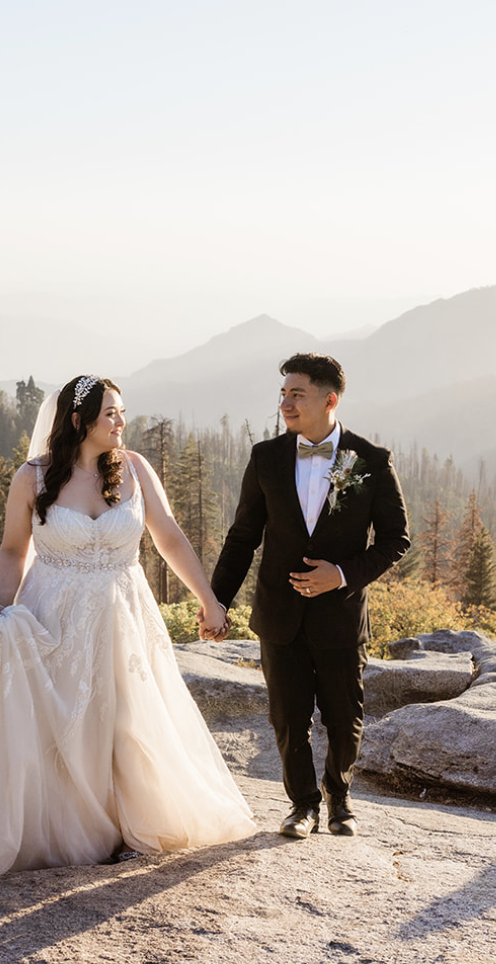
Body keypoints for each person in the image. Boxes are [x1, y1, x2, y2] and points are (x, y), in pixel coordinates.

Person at [0, 375, 256, 876]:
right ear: (77, 421)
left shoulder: (135, 469)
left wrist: (209, 600)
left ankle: (132, 825)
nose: (121, 421)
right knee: (65, 722)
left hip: (125, 613)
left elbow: (170, 538)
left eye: (122, 411)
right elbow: (11, 550)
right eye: (110, 412)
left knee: (130, 718)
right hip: (54, 616)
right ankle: (73, 830)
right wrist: (2, 612)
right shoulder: (33, 477)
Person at [207, 353, 410, 839]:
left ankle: (340, 799)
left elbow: (395, 540)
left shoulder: (371, 461)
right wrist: (217, 602)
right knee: (287, 718)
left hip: (340, 616)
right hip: (279, 615)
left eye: (297, 394)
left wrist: (340, 574)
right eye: (283, 394)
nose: (286, 403)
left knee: (344, 717)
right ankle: (302, 805)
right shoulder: (266, 458)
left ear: (330, 399)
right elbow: (242, 539)